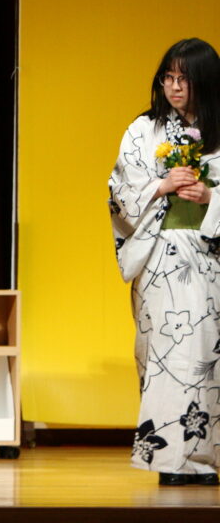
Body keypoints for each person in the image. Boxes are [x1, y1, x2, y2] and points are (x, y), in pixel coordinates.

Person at [108, 38, 220, 486]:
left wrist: (209, 196)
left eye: (184, 79)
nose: (174, 87)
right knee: (166, 354)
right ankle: (171, 460)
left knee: (207, 356)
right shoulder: (143, 130)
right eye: (168, 78)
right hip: (161, 257)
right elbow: (120, 191)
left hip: (210, 256)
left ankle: (204, 459)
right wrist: (161, 186)